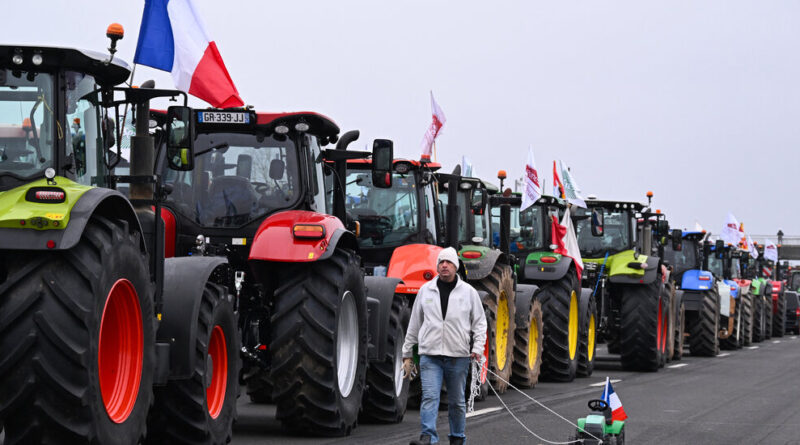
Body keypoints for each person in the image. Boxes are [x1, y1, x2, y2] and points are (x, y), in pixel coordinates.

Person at [402, 247, 487, 445]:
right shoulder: (425, 291)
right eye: (441, 262)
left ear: (455, 266)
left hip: (458, 356)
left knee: (457, 402)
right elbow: (414, 324)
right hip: (430, 356)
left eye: (448, 262)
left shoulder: (468, 293)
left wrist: (477, 348)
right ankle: (428, 438)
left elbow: (480, 323)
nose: (444, 265)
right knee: (430, 397)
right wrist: (407, 353)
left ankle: (457, 437)